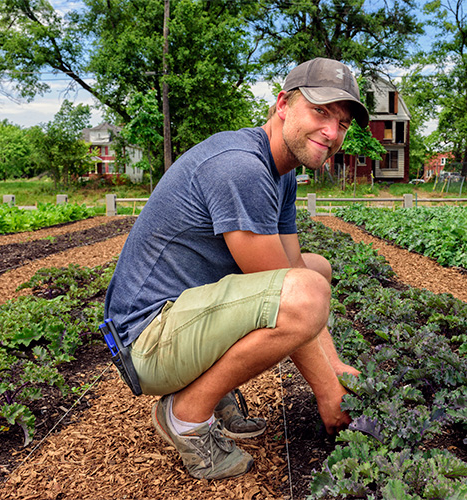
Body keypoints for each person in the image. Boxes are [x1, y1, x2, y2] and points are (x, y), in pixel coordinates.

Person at [104, 57, 368, 480]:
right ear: (282, 104)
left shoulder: (280, 173)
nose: (332, 133)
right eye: (320, 112)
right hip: (147, 341)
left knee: (315, 271)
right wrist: (328, 391)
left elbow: (295, 268)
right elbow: (289, 295)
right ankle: (185, 414)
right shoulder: (241, 167)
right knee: (304, 292)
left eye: (343, 123)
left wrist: (336, 367)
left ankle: (206, 387)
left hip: (179, 317)